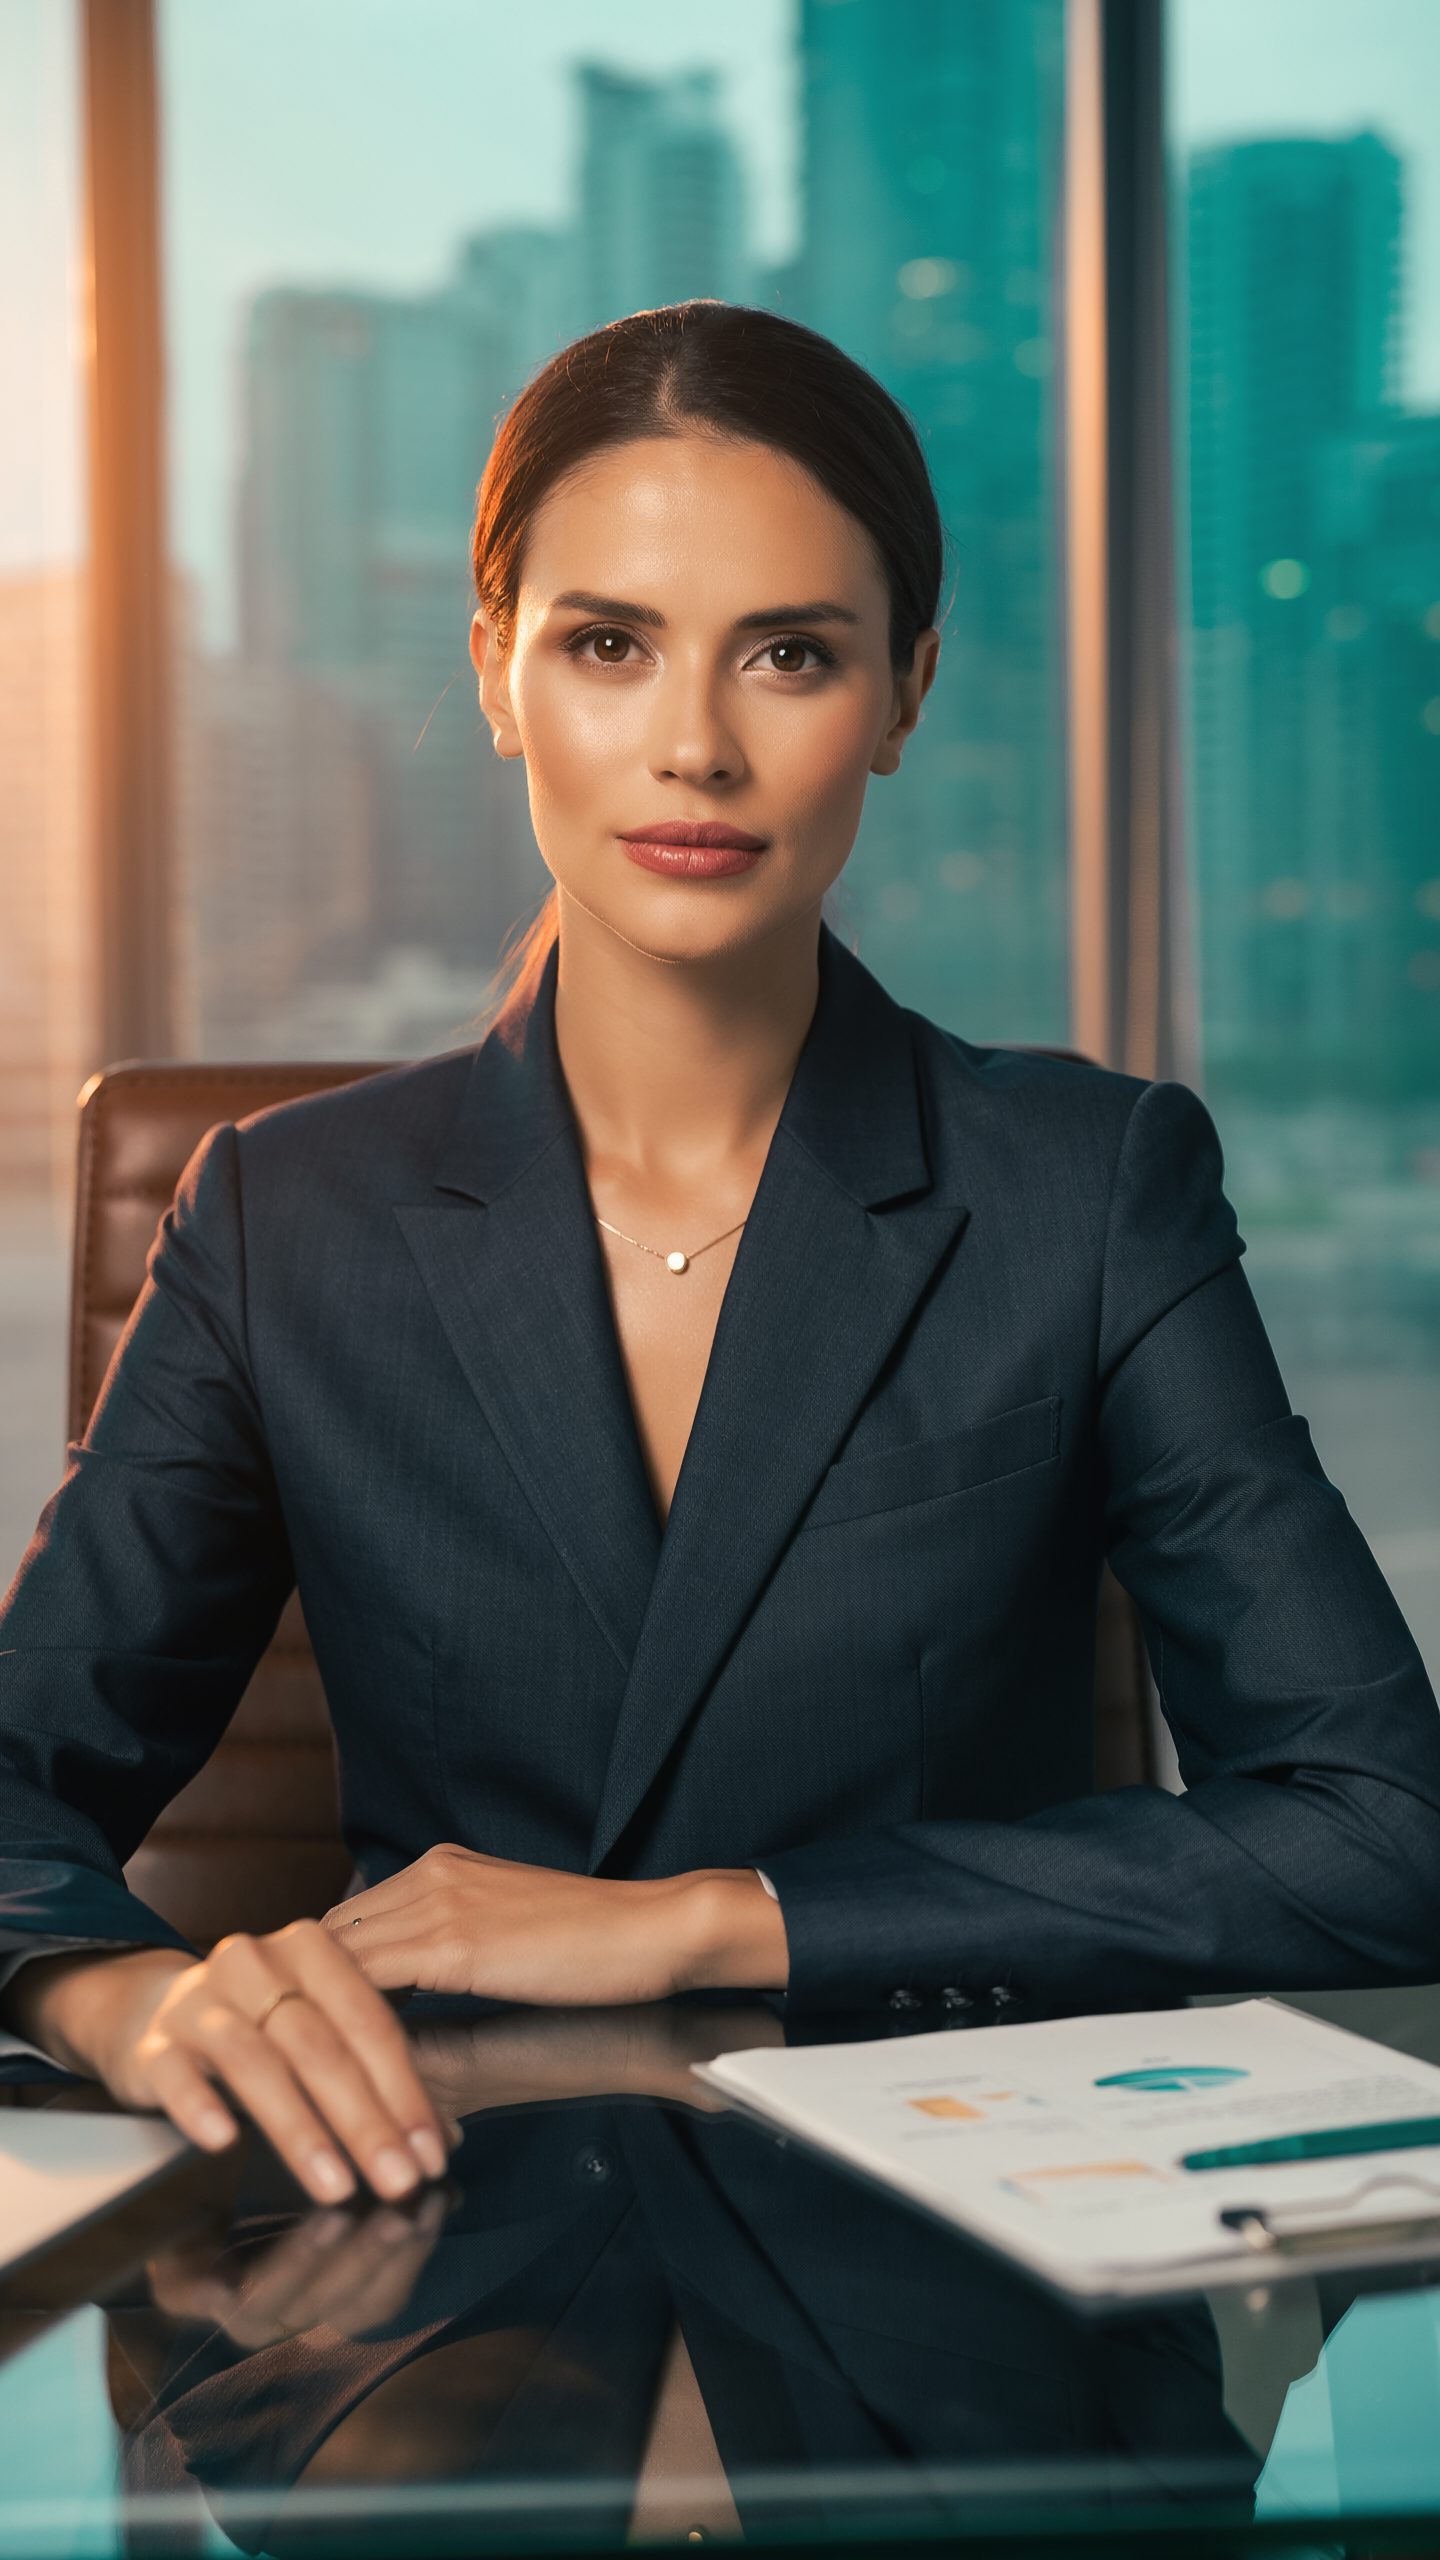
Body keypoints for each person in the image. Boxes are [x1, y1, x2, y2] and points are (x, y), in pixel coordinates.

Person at [1, 302, 1437, 2213]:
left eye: (790, 654)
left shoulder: (1083, 1187)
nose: (693, 745)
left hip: (963, 2284)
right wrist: (118, 1999)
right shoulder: (285, 1216)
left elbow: (1377, 1835)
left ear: (905, 692)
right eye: (608, 644)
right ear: (499, 666)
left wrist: (708, 1922)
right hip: (431, 2280)